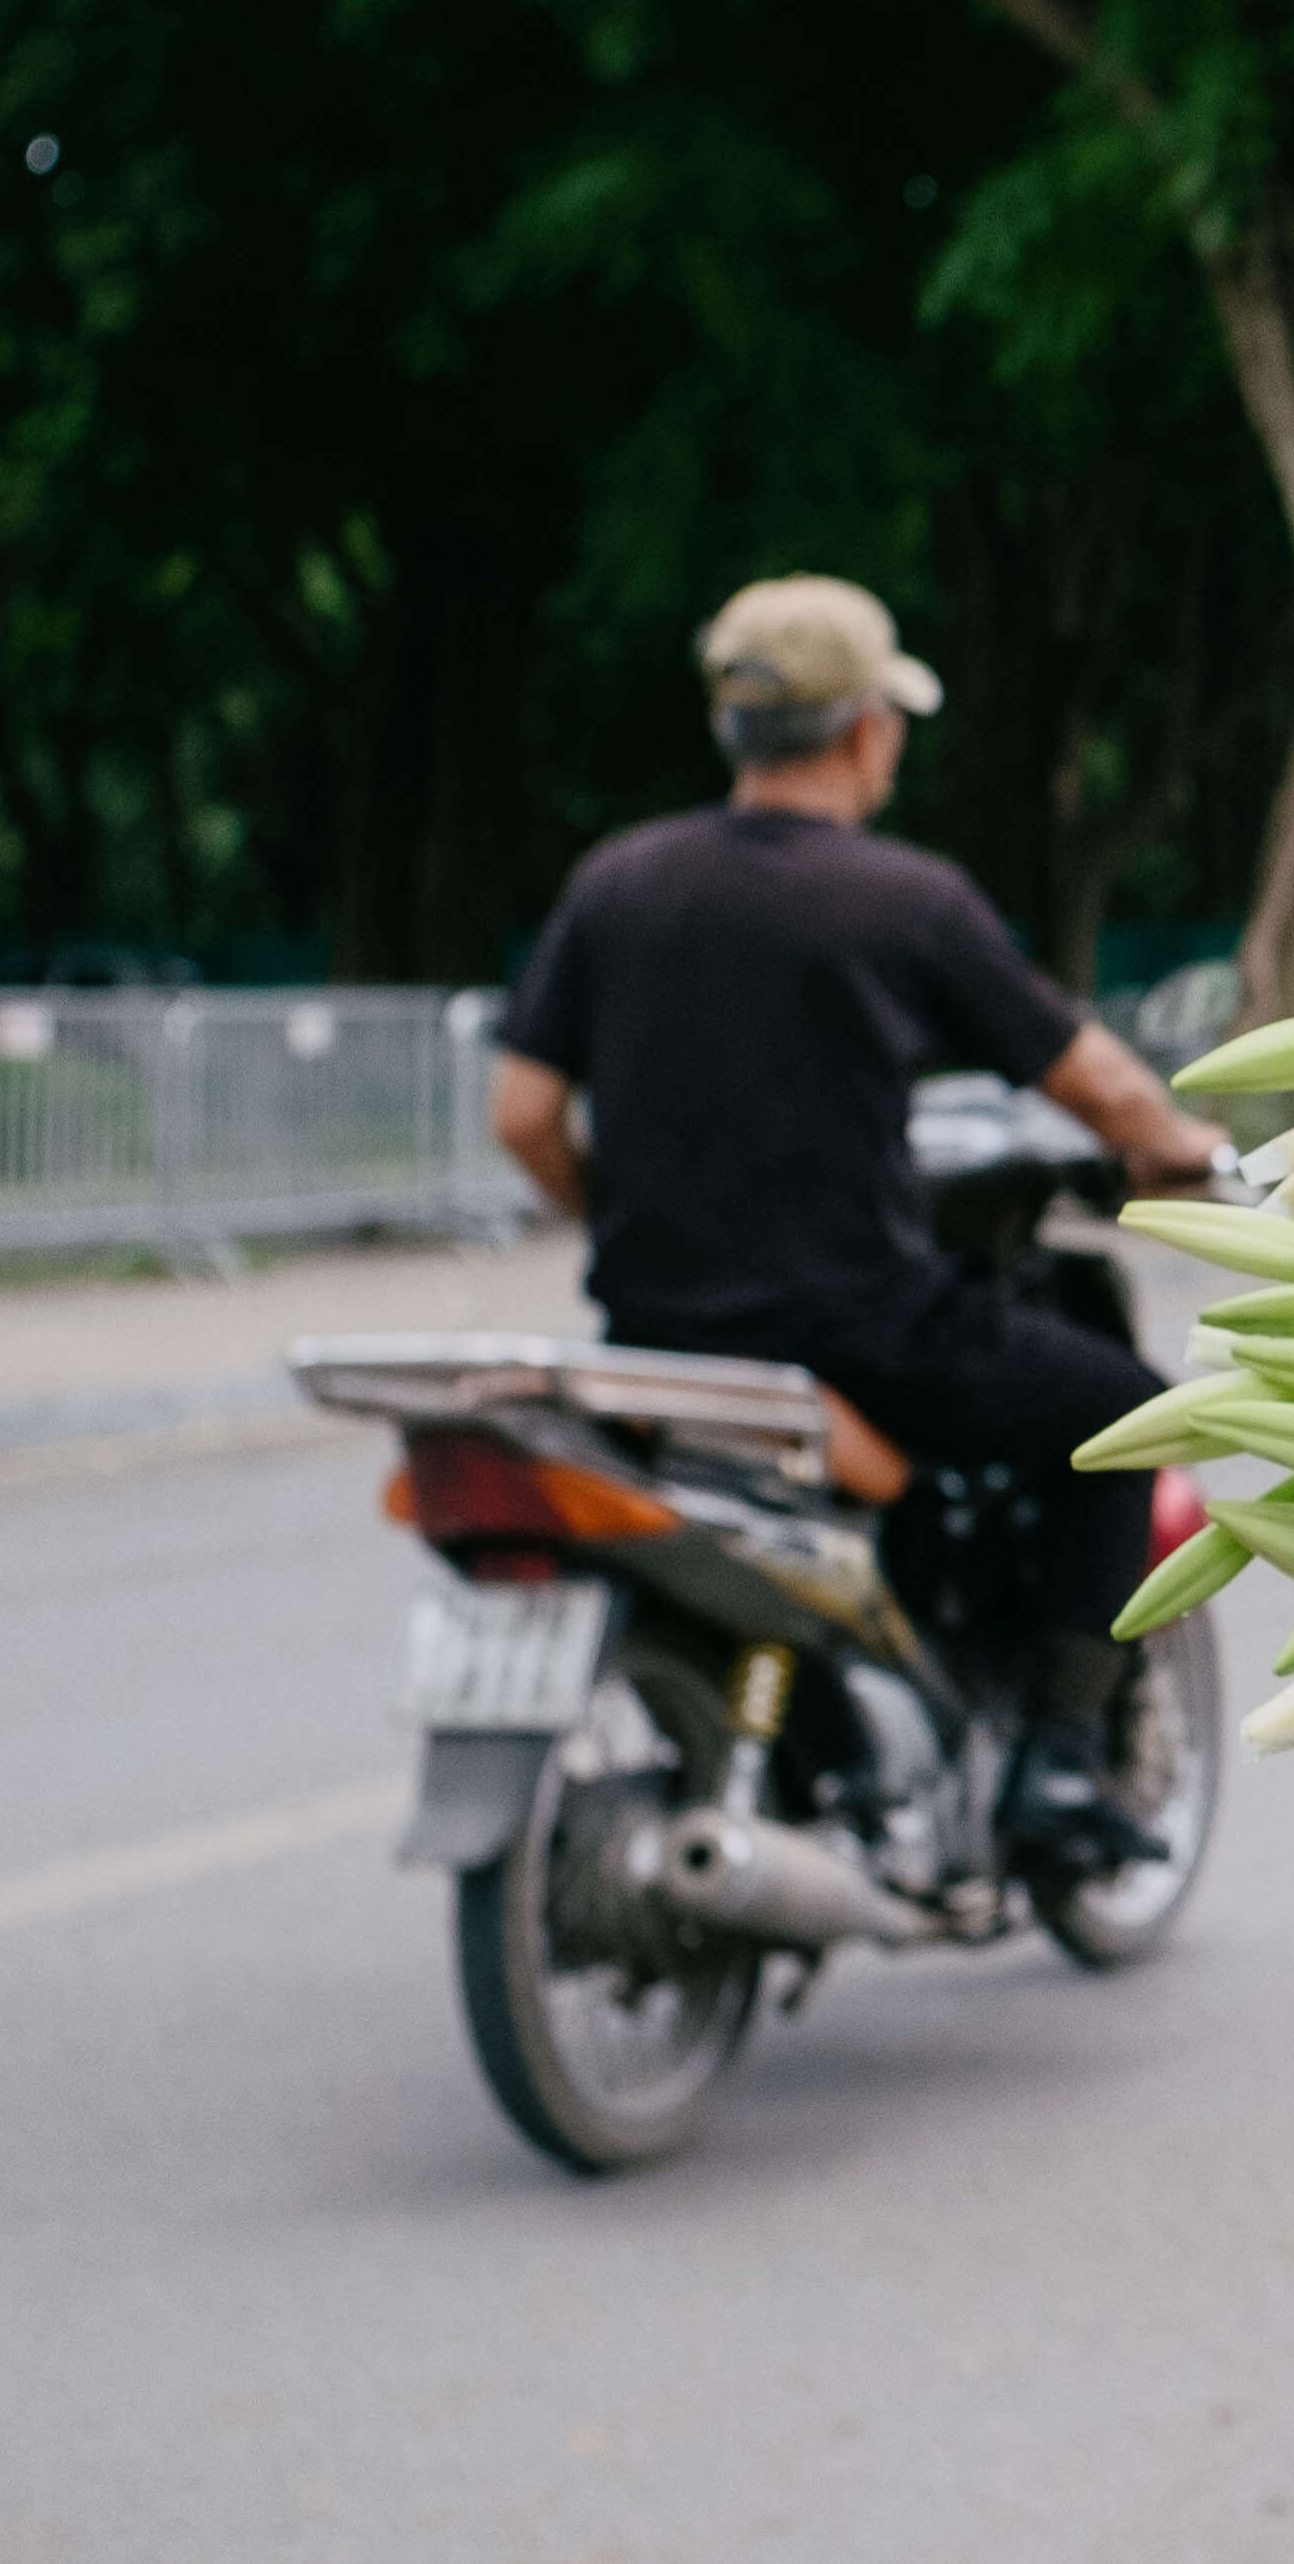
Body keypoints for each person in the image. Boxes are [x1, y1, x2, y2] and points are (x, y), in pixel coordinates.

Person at [490, 575, 1232, 1863]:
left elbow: (521, 1115)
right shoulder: (903, 901)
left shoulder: (619, 883)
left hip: (656, 1338)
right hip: (861, 1336)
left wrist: (619, 1213)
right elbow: (1093, 1079)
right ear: (866, 733)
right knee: (1120, 1412)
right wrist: (1189, 1151)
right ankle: (1056, 1769)